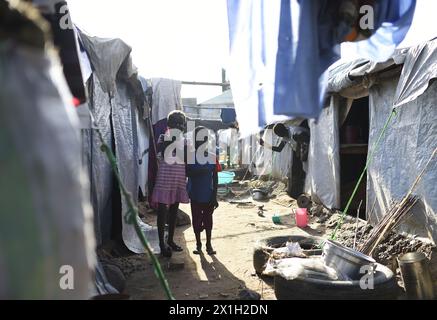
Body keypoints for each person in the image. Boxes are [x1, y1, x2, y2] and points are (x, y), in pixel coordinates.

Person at [151, 110, 189, 257]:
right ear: (169, 125)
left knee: (174, 211)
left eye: (181, 124)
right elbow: (163, 152)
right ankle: (162, 243)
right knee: (162, 212)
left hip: (178, 179)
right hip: (165, 180)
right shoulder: (163, 138)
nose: (179, 127)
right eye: (176, 124)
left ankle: (171, 240)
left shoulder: (185, 140)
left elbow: (185, 157)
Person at [186, 126, 219, 255]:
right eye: (199, 139)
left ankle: (208, 244)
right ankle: (198, 244)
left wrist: (215, 196)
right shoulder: (190, 156)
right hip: (194, 194)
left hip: (208, 194)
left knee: (208, 220)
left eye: (204, 139)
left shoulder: (212, 156)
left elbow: (215, 178)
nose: (202, 141)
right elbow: (187, 172)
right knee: (196, 220)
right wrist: (201, 171)